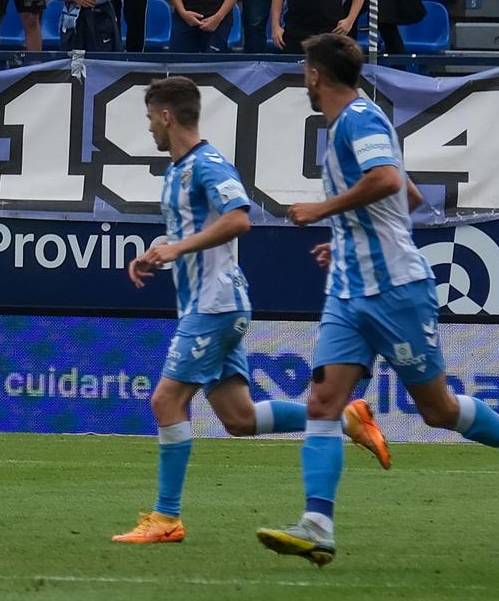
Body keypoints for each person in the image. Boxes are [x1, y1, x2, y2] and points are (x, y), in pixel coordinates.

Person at [256, 34, 499, 568]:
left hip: (396, 291)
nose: (302, 78)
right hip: (350, 294)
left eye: (303, 70)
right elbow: (411, 196)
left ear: (314, 75)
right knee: (324, 404)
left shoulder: (359, 120)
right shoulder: (345, 127)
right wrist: (350, 235)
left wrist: (324, 209)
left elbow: (389, 180)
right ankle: (318, 525)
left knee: (437, 410)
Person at [112, 77, 383, 547]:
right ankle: (347, 419)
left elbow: (240, 217)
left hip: (215, 305)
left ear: (167, 116)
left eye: (151, 118)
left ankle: (166, 518)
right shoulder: (177, 170)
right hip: (212, 302)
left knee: (165, 402)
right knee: (239, 420)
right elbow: (193, 232)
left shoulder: (208, 164)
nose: (150, 128)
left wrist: (176, 249)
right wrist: (158, 250)